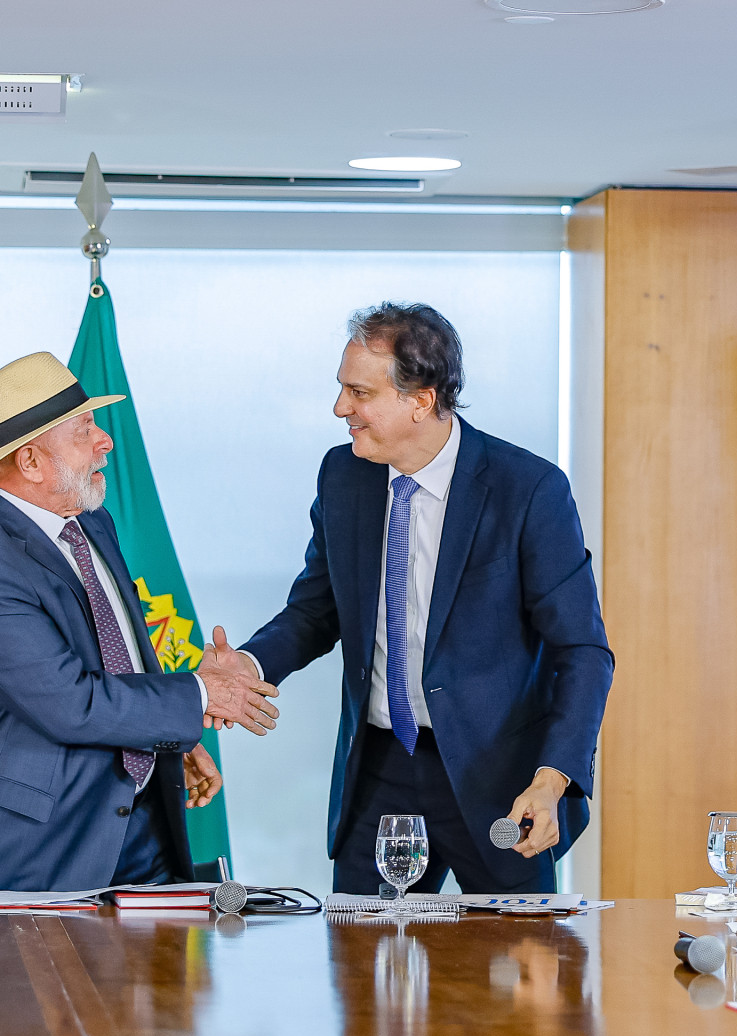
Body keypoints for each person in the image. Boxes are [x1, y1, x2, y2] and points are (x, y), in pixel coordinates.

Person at [210, 303, 612, 894]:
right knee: (366, 972)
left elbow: (582, 651)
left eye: (359, 393)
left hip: (501, 778)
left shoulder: (528, 490)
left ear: (420, 399)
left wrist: (552, 778)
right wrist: (249, 664)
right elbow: (317, 608)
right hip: (379, 770)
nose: (341, 409)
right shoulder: (343, 475)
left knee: (514, 974)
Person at [0, 352, 279, 891]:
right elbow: (72, 702)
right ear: (31, 463)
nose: (105, 440)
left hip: (139, 830)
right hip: (39, 851)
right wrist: (203, 696)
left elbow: (119, 656)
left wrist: (170, 740)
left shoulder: (92, 521)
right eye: (84, 429)